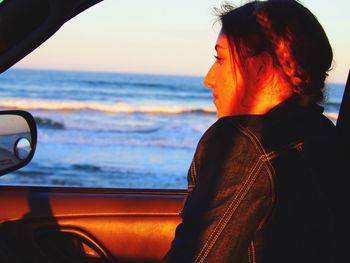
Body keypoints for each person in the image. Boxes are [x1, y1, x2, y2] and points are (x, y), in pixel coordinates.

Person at [164, 0, 336, 262]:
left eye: (220, 59)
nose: (209, 78)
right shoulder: (323, 135)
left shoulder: (243, 143)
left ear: (261, 68)